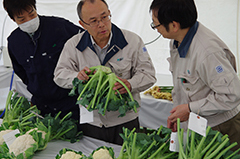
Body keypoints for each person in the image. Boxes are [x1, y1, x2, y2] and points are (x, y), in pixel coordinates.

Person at [54, 0, 156, 145]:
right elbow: (59, 75)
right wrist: (76, 77)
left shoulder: (132, 41)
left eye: (104, 17)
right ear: (82, 24)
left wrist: (130, 84)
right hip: (91, 122)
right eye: (94, 21)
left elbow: (148, 74)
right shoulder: (73, 45)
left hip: (125, 121)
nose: (101, 24)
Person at [150, 0, 240, 151]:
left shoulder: (208, 52)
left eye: (156, 24)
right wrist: (179, 113)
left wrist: (190, 109)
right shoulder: (177, 40)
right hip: (200, 121)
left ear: (174, 25)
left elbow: (231, 95)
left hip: (221, 127)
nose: (156, 29)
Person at [3, 0, 84, 123]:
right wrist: (34, 86)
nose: (29, 21)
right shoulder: (14, 41)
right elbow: (20, 71)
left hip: (71, 102)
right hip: (42, 106)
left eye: (32, 14)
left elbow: (87, 42)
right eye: (22, 19)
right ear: (13, 19)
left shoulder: (59, 26)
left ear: (35, 8)